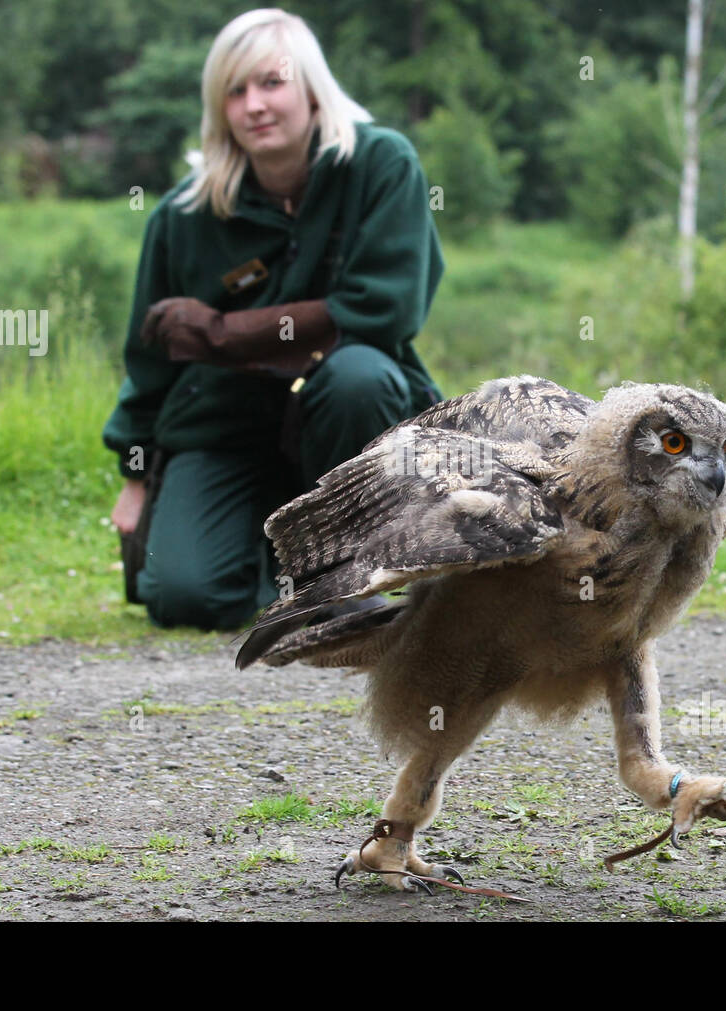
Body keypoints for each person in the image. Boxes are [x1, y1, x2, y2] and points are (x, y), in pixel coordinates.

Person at [104, 8, 443, 631]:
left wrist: (221, 334)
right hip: (225, 427)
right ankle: (279, 561)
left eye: (271, 83)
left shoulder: (381, 165)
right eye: (236, 91)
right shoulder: (183, 214)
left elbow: (383, 309)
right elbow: (149, 361)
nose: (255, 105)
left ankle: (349, 576)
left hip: (345, 420)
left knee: (359, 376)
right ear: (218, 107)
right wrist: (134, 474)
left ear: (311, 87)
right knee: (187, 599)